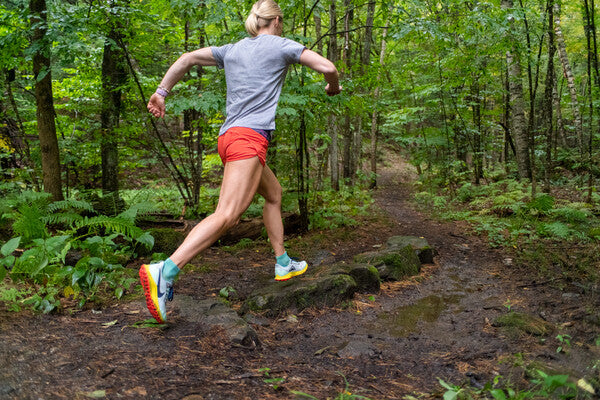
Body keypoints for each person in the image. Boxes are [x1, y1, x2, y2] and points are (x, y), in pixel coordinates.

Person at [139, 0, 341, 323]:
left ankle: (282, 262)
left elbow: (188, 59)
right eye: (281, 22)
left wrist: (162, 92)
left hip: (230, 138)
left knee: (274, 194)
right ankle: (164, 270)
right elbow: (328, 67)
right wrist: (333, 85)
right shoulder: (281, 45)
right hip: (249, 140)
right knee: (227, 215)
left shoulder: (231, 50)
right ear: (276, 20)